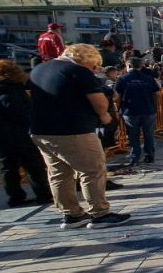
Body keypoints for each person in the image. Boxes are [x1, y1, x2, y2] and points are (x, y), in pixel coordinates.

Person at [29, 44, 130, 229]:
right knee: (92, 169)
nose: (93, 70)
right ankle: (100, 213)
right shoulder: (78, 71)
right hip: (73, 130)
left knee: (59, 174)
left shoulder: (39, 69)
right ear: (87, 59)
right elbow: (99, 101)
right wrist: (105, 116)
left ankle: (71, 215)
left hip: (41, 130)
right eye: (93, 66)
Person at [0, 60, 52, 207]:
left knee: (8, 169)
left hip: (1, 138)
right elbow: (20, 113)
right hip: (20, 135)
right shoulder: (11, 89)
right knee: (34, 166)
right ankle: (43, 194)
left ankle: (15, 197)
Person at [116, 57, 162, 165]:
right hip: (148, 110)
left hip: (130, 111)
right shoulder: (149, 79)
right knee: (149, 134)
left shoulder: (122, 79)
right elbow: (157, 94)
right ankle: (149, 156)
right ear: (141, 66)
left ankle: (134, 157)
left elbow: (117, 96)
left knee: (133, 135)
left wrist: (119, 108)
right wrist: (154, 106)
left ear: (128, 66)